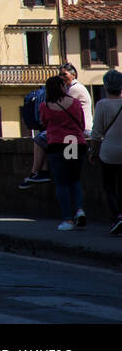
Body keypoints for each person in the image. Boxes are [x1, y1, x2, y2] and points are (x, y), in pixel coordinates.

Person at [39, 74, 87, 231]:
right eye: (64, 85)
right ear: (60, 87)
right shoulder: (74, 103)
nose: (66, 87)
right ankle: (79, 209)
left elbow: (44, 124)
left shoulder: (45, 106)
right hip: (73, 142)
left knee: (61, 183)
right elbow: (81, 123)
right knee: (74, 179)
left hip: (57, 145)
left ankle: (67, 219)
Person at [89, 69, 122, 236]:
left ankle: (117, 217)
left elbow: (96, 134)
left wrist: (93, 153)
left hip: (108, 153)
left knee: (109, 188)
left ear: (106, 86)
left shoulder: (102, 104)